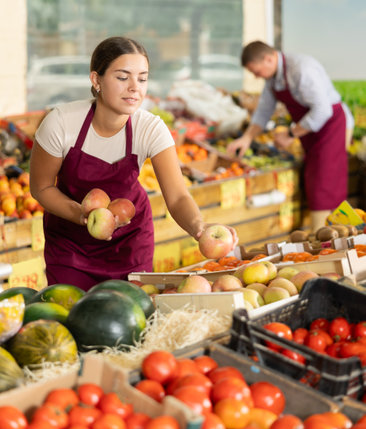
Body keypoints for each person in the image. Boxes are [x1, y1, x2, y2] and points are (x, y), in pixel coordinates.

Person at [30, 36, 238, 291]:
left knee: (131, 317)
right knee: (73, 317)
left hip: (130, 242)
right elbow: (41, 187)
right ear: (96, 80)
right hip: (70, 245)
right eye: (122, 77)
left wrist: (199, 226)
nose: (134, 88)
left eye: (142, 78)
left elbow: (177, 196)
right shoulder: (62, 123)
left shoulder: (150, 128)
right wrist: (79, 214)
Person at [227, 40, 354, 231]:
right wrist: (247, 138)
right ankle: (340, 236)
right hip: (310, 131)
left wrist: (290, 134)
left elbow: (322, 111)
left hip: (331, 126)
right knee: (317, 181)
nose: (255, 76)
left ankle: (333, 239)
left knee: (324, 185)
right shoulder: (272, 79)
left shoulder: (301, 69)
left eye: (256, 71)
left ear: (269, 59)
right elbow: (263, 111)